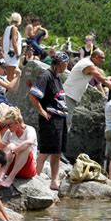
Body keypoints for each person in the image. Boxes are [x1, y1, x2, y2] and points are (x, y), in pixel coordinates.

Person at [29, 52, 70, 190]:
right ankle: (35, 178)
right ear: (59, 64)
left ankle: (54, 181)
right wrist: (42, 112)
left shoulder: (57, 77)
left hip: (60, 118)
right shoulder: (45, 76)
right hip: (50, 119)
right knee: (45, 150)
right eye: (65, 64)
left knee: (57, 151)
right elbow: (33, 95)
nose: (67, 66)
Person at [64, 49, 111, 131]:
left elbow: (104, 77)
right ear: (96, 57)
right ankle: (60, 143)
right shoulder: (88, 65)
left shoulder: (87, 61)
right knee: (66, 122)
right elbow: (103, 79)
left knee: (66, 122)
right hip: (68, 95)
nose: (103, 60)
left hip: (70, 94)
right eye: (102, 58)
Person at [0, 107, 37, 187]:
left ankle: (10, 179)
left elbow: (29, 142)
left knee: (25, 146)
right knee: (10, 146)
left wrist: (13, 151)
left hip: (27, 169)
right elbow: (0, 149)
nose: (7, 128)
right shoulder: (9, 132)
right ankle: (1, 176)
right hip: (10, 167)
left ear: (17, 123)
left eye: (9, 125)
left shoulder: (30, 130)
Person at [2, 13, 23, 81]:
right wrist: (17, 54)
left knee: (9, 76)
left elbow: (1, 40)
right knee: (11, 77)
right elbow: (14, 42)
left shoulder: (7, 28)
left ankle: (8, 89)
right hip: (13, 56)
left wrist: (4, 51)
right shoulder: (14, 28)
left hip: (7, 54)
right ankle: (11, 90)